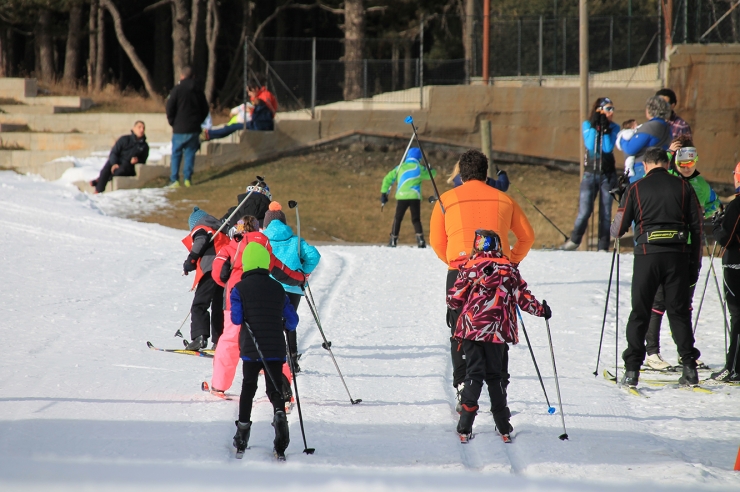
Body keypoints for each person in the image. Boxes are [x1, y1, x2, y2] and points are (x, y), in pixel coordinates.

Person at [429, 149, 535, 409]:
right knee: (498, 326)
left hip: (460, 271)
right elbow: (527, 236)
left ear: (461, 173)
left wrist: (456, 264)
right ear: (486, 173)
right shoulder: (504, 199)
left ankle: (463, 384)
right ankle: (499, 383)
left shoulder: (446, 200)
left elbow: (436, 241)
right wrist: (510, 261)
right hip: (498, 272)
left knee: (459, 330)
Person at [610, 147, 703, 388]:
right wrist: (694, 265)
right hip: (678, 256)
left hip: (647, 255)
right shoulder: (684, 187)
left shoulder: (636, 188)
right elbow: (697, 229)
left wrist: (622, 201)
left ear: (646, 165)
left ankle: (632, 371)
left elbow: (617, 231)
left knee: (640, 312)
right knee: (679, 312)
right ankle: (690, 368)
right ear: (666, 163)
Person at [447, 230, 549, 441]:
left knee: (473, 374)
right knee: (495, 377)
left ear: (477, 246)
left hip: (472, 330)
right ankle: (503, 426)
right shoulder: (509, 270)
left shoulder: (468, 268)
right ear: (498, 246)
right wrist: (542, 310)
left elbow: (454, 300)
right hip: (497, 332)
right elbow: (524, 299)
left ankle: (465, 425)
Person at [644, 138, 719, 371]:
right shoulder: (671, 180)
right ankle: (651, 352)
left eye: (690, 162)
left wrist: (703, 214)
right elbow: (653, 175)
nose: (686, 166)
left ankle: (686, 353)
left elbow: (713, 205)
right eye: (681, 161)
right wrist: (667, 153)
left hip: (689, 250)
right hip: (668, 247)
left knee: (683, 304)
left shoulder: (701, 185)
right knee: (659, 301)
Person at [210, 222, 306, 395]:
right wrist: (301, 278)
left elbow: (217, 272)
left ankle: (219, 385)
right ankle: (282, 389)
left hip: (234, 296)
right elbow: (283, 272)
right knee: (269, 338)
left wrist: (227, 284)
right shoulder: (265, 250)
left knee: (230, 339)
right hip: (263, 297)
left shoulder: (231, 248)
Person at [230, 241, 298, 458]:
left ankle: (242, 433)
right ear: (266, 263)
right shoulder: (278, 288)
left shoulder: (239, 289)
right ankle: (279, 416)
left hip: (251, 347)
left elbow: (236, 318)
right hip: (275, 347)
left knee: (248, 388)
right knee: (274, 388)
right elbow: (292, 321)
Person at [263, 202, 322, 372]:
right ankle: (293, 359)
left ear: (266, 224)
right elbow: (314, 255)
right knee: (289, 320)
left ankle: (270, 359)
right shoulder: (295, 240)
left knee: (271, 322)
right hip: (294, 286)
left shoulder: (264, 241)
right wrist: (304, 271)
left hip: (269, 285)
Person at [560, 97, 620, 252]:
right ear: (598, 110)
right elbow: (590, 143)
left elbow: (607, 148)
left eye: (612, 109)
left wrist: (605, 129)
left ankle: (603, 245)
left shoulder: (614, 127)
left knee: (606, 212)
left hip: (607, 175)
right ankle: (574, 240)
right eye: (608, 109)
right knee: (585, 210)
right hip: (590, 173)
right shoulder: (587, 125)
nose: (611, 112)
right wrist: (596, 124)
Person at [182, 206, 230, 351]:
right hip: (225, 269)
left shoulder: (201, 227)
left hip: (211, 269)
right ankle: (219, 340)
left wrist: (190, 260)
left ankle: (199, 338)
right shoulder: (220, 229)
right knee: (217, 305)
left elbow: (201, 240)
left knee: (200, 304)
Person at [709, 162, 740, 383]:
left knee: (737, 316)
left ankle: (734, 368)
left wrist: (717, 227)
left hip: (736, 264)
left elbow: (726, 238)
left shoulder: (736, 205)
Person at [380, 147, 436, 248]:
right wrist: (430, 169)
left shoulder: (400, 167)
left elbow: (388, 178)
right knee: (416, 219)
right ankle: (421, 240)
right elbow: (431, 175)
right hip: (414, 197)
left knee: (398, 218)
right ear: (419, 158)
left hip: (402, 196)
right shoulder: (419, 168)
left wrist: (384, 193)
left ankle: (393, 240)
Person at [166, 66, 210, 188]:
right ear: (193, 77)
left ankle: (174, 179)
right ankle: (187, 179)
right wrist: (198, 121)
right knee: (190, 153)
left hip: (179, 127)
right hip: (194, 128)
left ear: (182, 76)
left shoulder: (177, 89)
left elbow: (169, 107)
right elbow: (205, 109)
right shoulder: (198, 90)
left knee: (176, 154)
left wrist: (172, 121)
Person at [620, 96, 673, 182]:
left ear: (650, 109)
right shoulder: (667, 127)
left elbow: (629, 149)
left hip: (643, 168)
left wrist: (622, 139)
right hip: (662, 167)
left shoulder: (650, 126)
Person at [90, 121, 149, 194]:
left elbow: (143, 161)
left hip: (128, 167)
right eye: (139, 127)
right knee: (107, 167)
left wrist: (137, 160)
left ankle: (99, 180)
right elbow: (114, 152)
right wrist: (114, 163)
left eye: (143, 128)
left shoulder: (144, 146)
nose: (141, 130)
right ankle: (97, 191)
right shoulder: (124, 139)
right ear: (133, 129)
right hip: (117, 162)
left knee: (119, 171)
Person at [203, 83, 276, 141]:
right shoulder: (259, 97)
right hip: (258, 123)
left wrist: (251, 111)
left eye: (250, 91)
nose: (249, 94)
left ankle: (208, 134)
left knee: (232, 127)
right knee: (231, 127)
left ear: (256, 89)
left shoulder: (264, 97)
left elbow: (263, 113)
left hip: (259, 125)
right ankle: (209, 134)